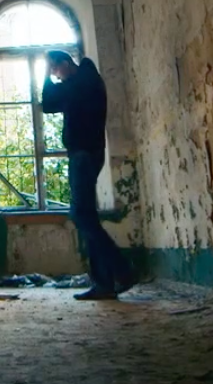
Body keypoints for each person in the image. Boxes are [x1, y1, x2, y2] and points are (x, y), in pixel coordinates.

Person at [42, 50, 137, 300]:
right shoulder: (80, 82)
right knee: (87, 217)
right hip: (86, 154)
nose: (55, 76)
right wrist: (51, 75)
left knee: (81, 215)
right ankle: (105, 283)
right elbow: (50, 105)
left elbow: (48, 102)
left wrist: (45, 76)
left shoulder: (85, 79)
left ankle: (122, 271)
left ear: (65, 63)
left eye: (55, 70)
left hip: (84, 155)